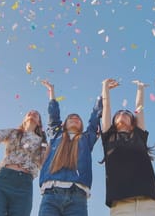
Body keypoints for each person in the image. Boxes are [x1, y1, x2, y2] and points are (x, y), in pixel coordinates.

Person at [38, 80, 103, 216]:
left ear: (82, 125)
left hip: (77, 195)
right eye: (71, 118)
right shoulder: (56, 135)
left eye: (78, 118)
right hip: (51, 192)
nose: (75, 119)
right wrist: (51, 91)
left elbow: (95, 118)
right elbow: (53, 115)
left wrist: (102, 94)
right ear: (64, 124)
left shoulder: (86, 139)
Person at [101, 79, 155, 216]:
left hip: (149, 202)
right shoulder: (108, 137)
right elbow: (106, 106)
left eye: (127, 113)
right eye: (119, 113)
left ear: (132, 121)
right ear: (114, 120)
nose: (122, 114)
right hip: (121, 205)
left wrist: (140, 88)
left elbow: (139, 107)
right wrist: (105, 87)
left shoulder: (139, 136)